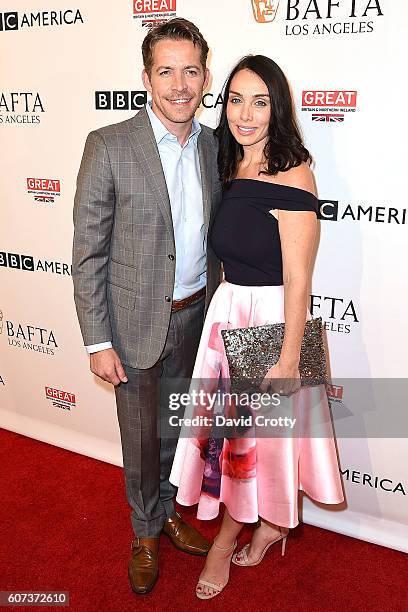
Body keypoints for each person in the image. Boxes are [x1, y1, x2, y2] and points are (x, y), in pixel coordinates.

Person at [169, 55, 345, 600]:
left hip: (270, 324)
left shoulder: (294, 174)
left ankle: (228, 539)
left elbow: (299, 278)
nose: (245, 114)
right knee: (240, 442)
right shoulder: (230, 165)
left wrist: (290, 358)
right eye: (236, 99)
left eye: (260, 101)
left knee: (250, 443)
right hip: (229, 317)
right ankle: (271, 524)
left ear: (278, 108)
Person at [72, 18, 222, 595]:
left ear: (206, 76)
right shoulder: (109, 145)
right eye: (166, 71)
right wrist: (96, 339)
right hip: (133, 324)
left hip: (195, 317)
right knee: (138, 436)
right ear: (146, 78)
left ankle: (165, 511)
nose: (179, 84)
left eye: (191, 70)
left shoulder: (213, 146)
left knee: (178, 429)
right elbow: (88, 252)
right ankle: (144, 531)